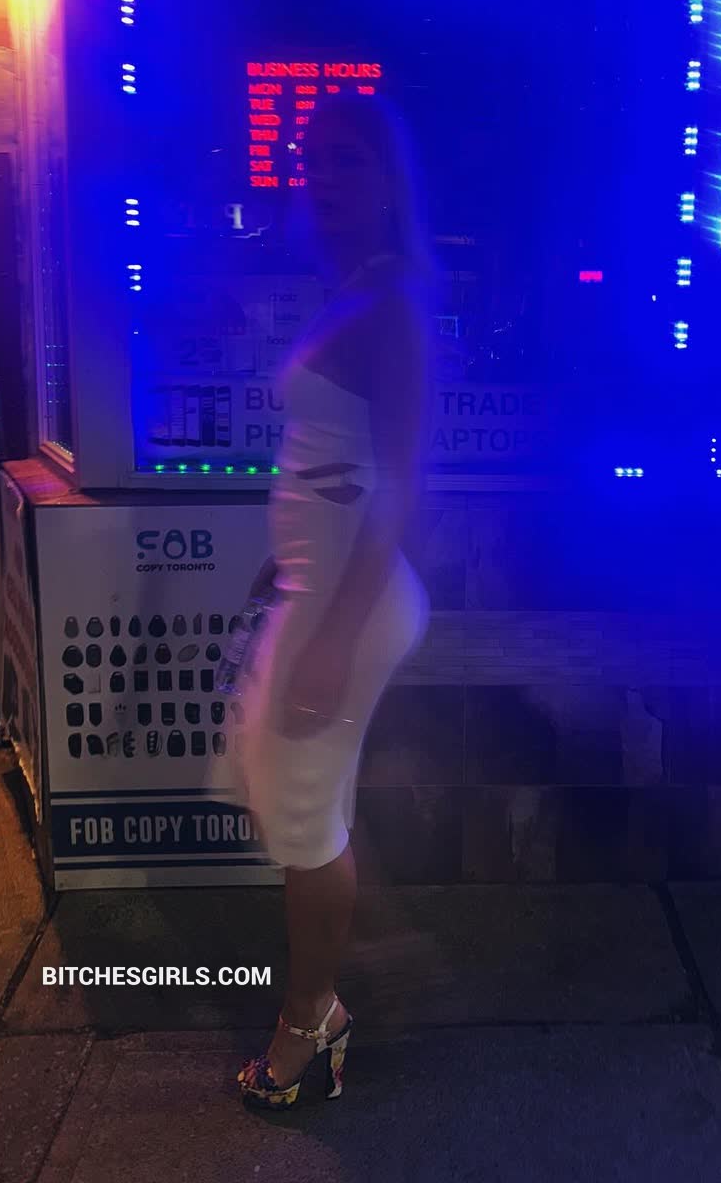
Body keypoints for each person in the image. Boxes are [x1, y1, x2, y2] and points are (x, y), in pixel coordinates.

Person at [229, 93, 433, 1110]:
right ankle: (333, 997)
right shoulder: (353, 290)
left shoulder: (393, 305)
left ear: (390, 180)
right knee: (298, 796)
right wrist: (287, 562)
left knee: (304, 816)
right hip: (319, 584)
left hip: (348, 602)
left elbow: (399, 483)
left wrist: (332, 637)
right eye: (313, 160)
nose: (325, 177)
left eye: (348, 160)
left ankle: (309, 1024)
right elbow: (329, 461)